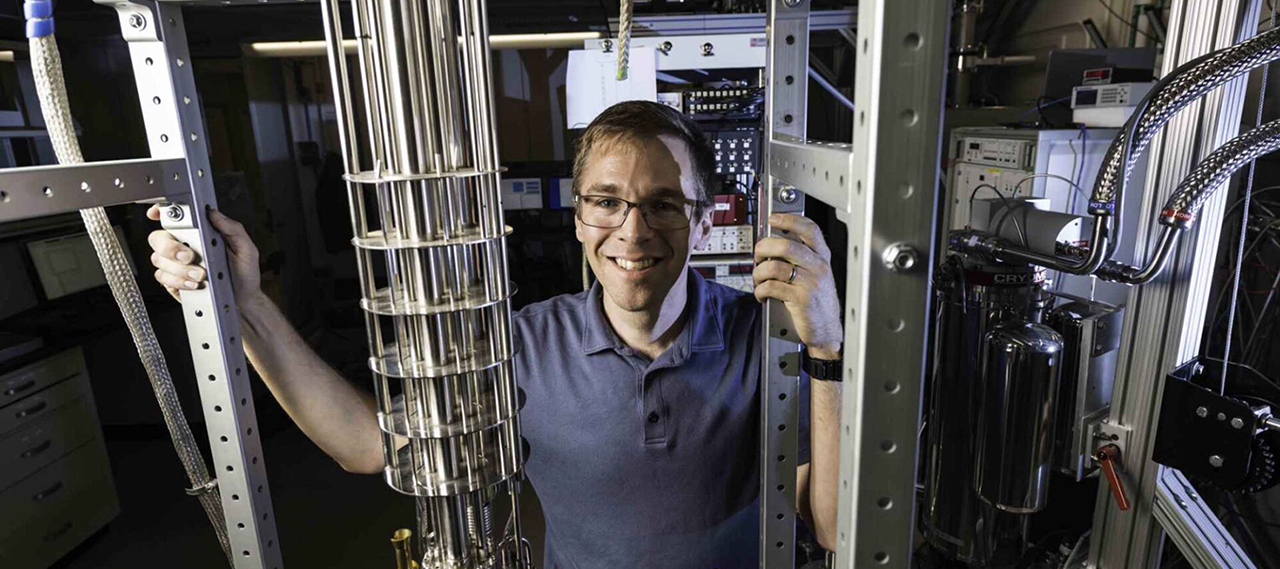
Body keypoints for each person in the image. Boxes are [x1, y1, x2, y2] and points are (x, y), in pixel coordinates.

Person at [147, 101, 843, 568]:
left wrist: (827, 350)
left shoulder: (767, 338)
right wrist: (247, 307)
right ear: (579, 217)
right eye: (606, 202)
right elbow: (369, 444)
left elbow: (834, 524)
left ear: (702, 220)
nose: (633, 231)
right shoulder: (525, 345)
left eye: (663, 204)